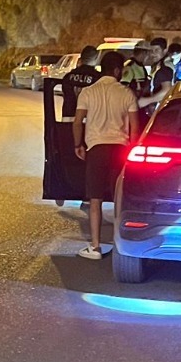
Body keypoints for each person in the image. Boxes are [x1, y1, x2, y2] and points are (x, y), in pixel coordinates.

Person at [72, 50, 139, 260]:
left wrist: (78, 145)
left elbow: (77, 122)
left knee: (95, 199)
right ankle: (121, 244)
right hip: (120, 149)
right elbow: (135, 128)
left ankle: (95, 246)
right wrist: (133, 150)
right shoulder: (126, 93)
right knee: (120, 199)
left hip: (97, 149)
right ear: (118, 70)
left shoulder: (88, 92)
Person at [60, 45, 102, 118]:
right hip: (90, 120)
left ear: (81, 58)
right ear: (96, 59)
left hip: (69, 117)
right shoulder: (98, 78)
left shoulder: (68, 77)